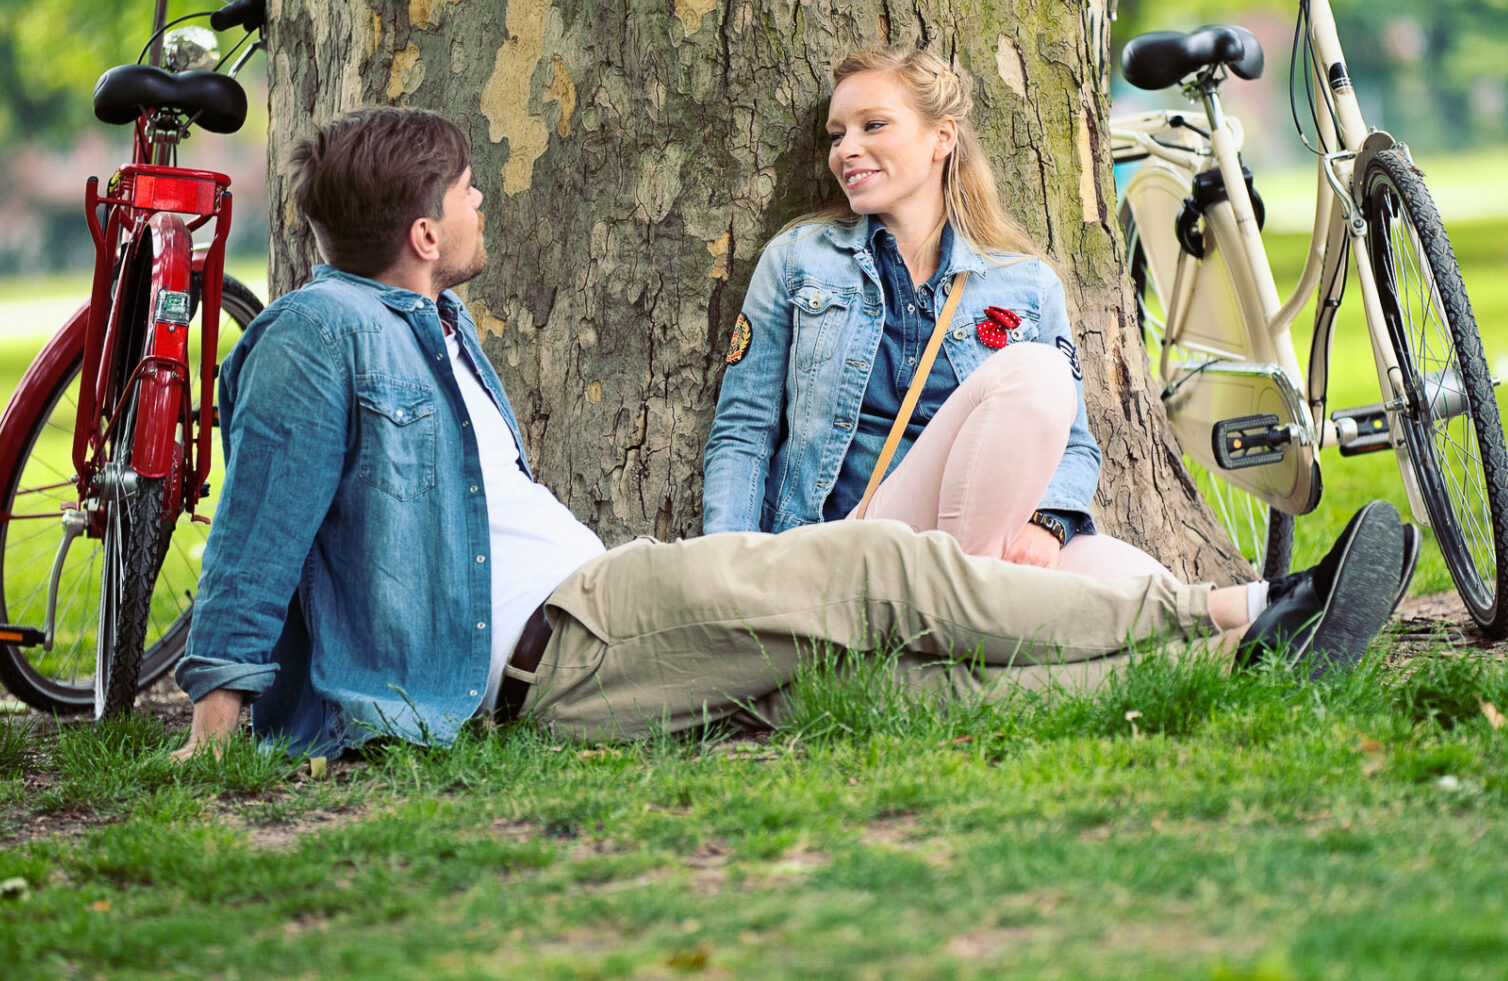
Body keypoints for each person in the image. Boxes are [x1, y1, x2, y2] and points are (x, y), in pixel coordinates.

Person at [173, 107, 1410, 760]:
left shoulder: (432, 326)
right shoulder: (320, 331)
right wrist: (217, 721)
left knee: (902, 692)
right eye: (463, 186)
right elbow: (256, 527)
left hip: (584, 651)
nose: (482, 193)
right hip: (564, 633)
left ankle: (1234, 668)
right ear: (426, 231)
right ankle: (1229, 612)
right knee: (880, 570)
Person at [703, 46, 1166, 580]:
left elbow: (1074, 443)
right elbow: (744, 430)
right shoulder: (798, 261)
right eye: (837, 135)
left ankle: (1255, 612)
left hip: (978, 535)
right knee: (1037, 373)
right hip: (839, 548)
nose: (846, 150)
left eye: (872, 125)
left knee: (1142, 582)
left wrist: (1047, 522)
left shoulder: (1027, 283)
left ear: (942, 137)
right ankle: (959, 612)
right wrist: (728, 572)